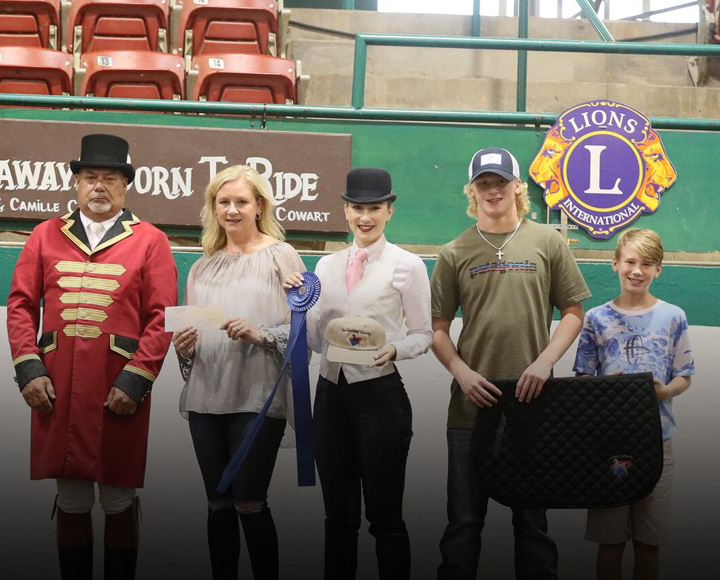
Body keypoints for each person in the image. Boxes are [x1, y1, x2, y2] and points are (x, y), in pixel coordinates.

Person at [7, 133, 178, 580]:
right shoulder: (45, 235)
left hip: (116, 386)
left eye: (109, 178)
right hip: (56, 385)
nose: (98, 187)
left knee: (119, 496)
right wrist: (28, 368)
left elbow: (162, 317)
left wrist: (137, 378)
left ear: (126, 186)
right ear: (75, 183)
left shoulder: (151, 241)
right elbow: (21, 306)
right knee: (72, 496)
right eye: (89, 178)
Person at [430, 147, 591, 580]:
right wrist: (462, 374)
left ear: (519, 186)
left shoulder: (548, 241)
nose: (493, 189)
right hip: (469, 410)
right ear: (472, 191)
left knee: (533, 528)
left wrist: (544, 363)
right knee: (463, 525)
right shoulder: (453, 252)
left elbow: (573, 312)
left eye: (501, 181)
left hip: (532, 404)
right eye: (484, 183)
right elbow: (438, 329)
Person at [282, 167, 431, 579]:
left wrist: (394, 349)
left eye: (375, 208)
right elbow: (314, 340)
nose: (365, 217)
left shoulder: (408, 265)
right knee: (338, 523)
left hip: (380, 400)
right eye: (357, 208)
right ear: (345, 211)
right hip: (330, 397)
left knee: (385, 519)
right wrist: (296, 304)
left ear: (389, 212)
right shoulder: (325, 265)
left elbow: (424, 335)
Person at [170, 165, 307, 580]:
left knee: (249, 501)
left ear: (259, 206)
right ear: (213, 207)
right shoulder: (202, 266)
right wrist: (184, 348)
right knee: (217, 504)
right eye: (223, 202)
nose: (232, 210)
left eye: (241, 202)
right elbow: (188, 339)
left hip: (258, 396)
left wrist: (260, 333)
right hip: (205, 396)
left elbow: (304, 335)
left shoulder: (282, 255)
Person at [573, 228, 694, 580]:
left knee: (648, 541)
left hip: (658, 439)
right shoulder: (596, 318)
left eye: (647, 264)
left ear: (659, 269)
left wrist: (664, 392)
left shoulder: (673, 316)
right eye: (630, 261)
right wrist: (602, 391)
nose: (637, 270)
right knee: (609, 541)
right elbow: (583, 379)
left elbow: (684, 374)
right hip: (607, 442)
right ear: (615, 264)